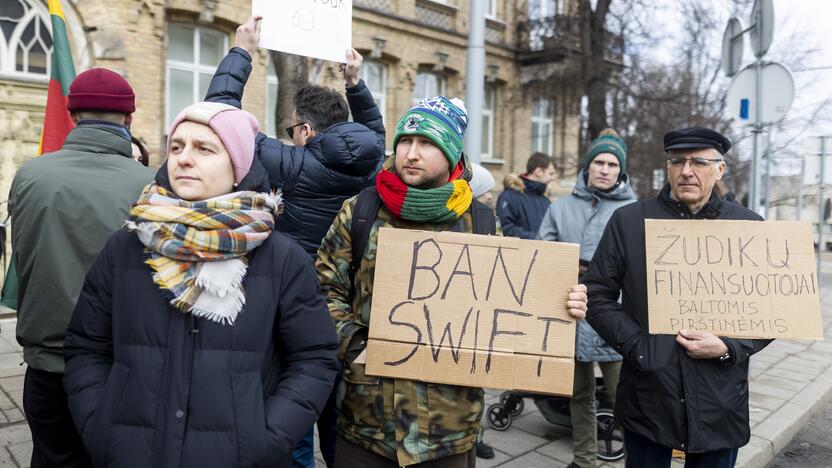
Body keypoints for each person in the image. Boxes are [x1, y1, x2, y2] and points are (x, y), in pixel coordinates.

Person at [316, 96, 589, 467]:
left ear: (452, 153)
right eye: (405, 142)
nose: (412, 153)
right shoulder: (360, 211)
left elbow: (509, 304)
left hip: (449, 431)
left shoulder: (480, 221)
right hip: (367, 425)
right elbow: (322, 291)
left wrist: (562, 302)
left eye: (427, 143)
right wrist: (357, 346)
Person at [63, 102, 339, 468]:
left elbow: (313, 359)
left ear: (238, 166)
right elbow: (86, 347)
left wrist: (263, 439)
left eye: (204, 148)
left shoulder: (282, 259)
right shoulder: (127, 245)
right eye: (176, 147)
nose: (184, 158)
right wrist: (102, 425)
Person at [205, 17, 386, 467]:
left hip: (288, 308)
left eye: (291, 129)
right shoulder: (374, 169)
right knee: (339, 421)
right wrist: (357, 85)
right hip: (349, 314)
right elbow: (375, 135)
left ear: (305, 131)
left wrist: (242, 52)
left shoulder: (287, 163)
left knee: (292, 412)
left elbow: (220, 119)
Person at [584, 127, 771, 468]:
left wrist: (730, 346)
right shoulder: (629, 221)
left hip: (719, 402)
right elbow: (598, 296)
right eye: (677, 161)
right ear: (667, 167)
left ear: (720, 169)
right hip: (649, 399)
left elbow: (772, 310)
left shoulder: (749, 227)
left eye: (699, 161)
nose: (687, 170)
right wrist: (640, 346)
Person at [8, 67, 154, 468]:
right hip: (119, 363)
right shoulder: (152, 184)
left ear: (73, 116)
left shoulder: (29, 175)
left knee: (53, 456)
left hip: (47, 362)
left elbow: (22, 257)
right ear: (129, 119)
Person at [537, 129, 636, 468]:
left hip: (617, 318)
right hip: (569, 315)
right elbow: (543, 255)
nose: (605, 169)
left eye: (612, 164)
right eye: (599, 162)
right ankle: (584, 459)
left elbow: (642, 264)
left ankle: (636, 459)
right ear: (588, 166)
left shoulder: (634, 210)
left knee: (628, 397)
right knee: (579, 395)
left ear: (620, 171)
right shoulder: (561, 207)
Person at [496, 152, 556, 238]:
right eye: (551, 174)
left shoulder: (545, 200)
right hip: (518, 251)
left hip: (542, 250)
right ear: (538, 171)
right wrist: (535, 238)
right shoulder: (509, 196)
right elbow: (505, 228)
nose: (553, 178)